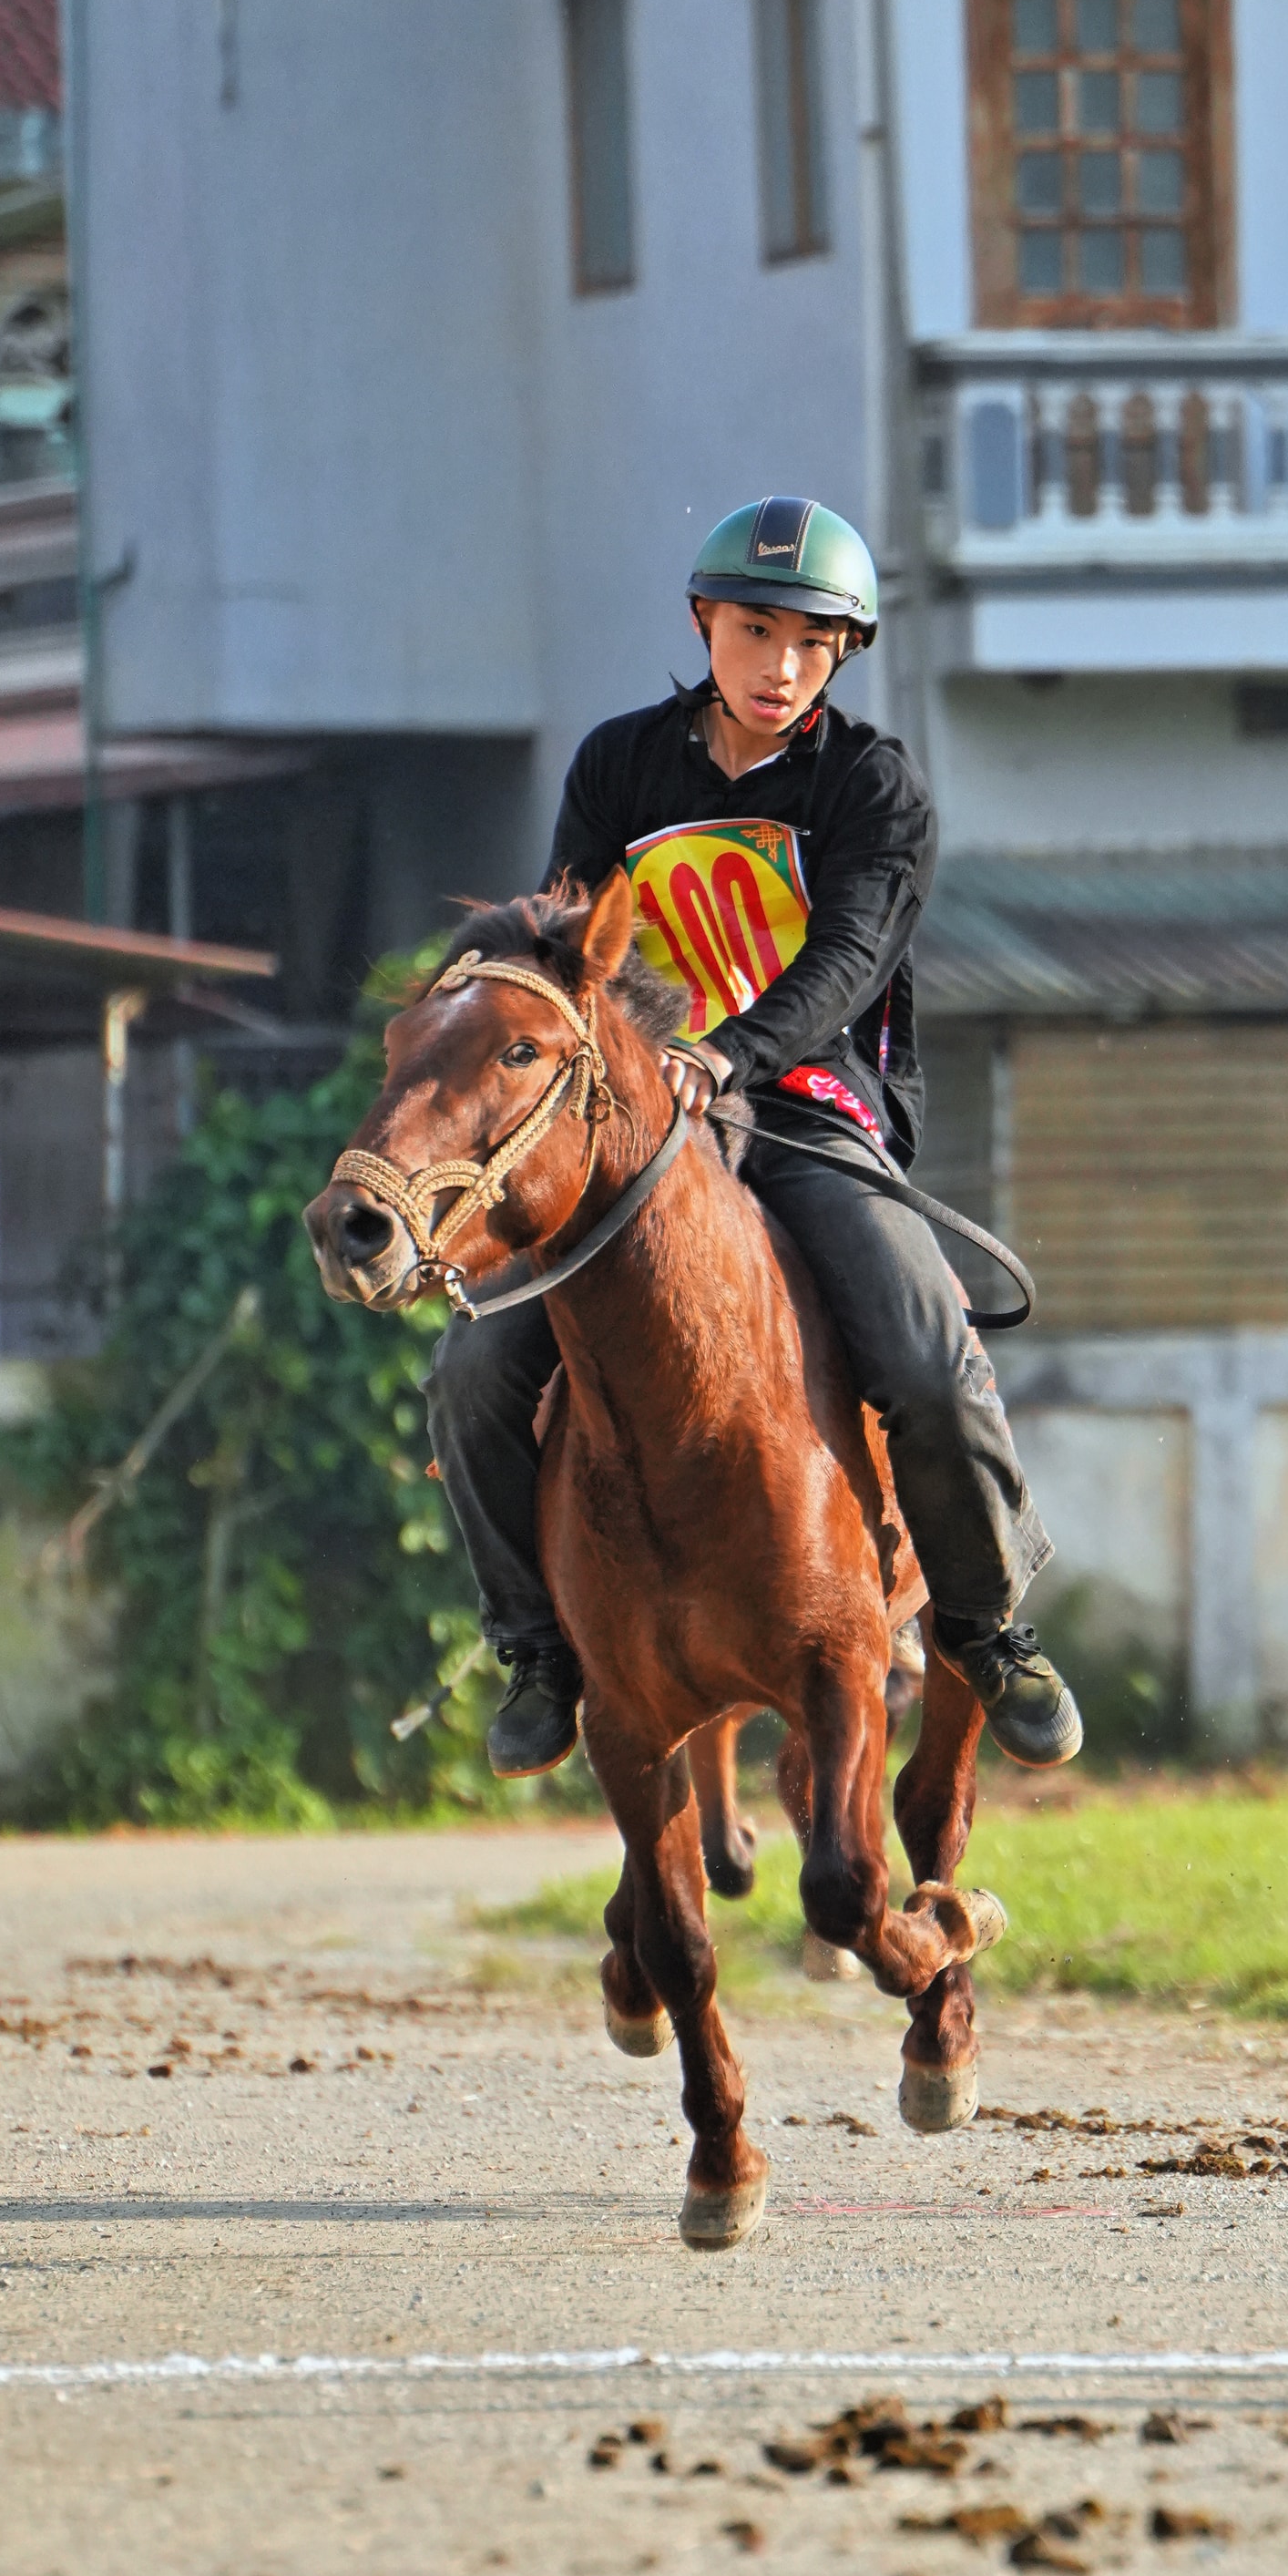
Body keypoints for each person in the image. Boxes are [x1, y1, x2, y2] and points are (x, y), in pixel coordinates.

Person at [426, 493, 1083, 1782]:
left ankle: (988, 1628)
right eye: (754, 632)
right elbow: (571, 949)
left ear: (842, 654)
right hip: (635, 1129)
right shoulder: (618, 766)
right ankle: (538, 1650)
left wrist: (728, 1053)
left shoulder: (874, 786)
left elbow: (848, 961)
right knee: (471, 1372)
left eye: (812, 643)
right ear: (703, 625)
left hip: (807, 1111)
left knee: (927, 1357)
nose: (780, 666)